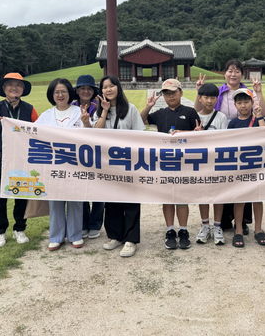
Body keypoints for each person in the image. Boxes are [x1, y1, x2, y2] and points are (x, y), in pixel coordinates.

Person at [194, 59, 265, 233]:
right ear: (225, 73)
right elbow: (198, 110)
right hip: (222, 137)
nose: (233, 74)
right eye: (230, 70)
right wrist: (199, 91)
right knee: (226, 179)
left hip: (244, 139)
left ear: (242, 74)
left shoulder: (248, 92)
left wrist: (258, 92)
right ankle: (226, 218)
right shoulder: (219, 91)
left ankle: (242, 222)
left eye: (237, 71)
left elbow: (263, 113)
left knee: (244, 181)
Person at [0, 72, 38, 248]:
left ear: (23, 89)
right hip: (1, 160)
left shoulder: (29, 110)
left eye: (18, 85)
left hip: (23, 160)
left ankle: (20, 229)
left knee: (22, 196)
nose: (14, 88)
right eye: (10, 84)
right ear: (4, 88)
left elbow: (39, 132)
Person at [141, 78, 201, 250]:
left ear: (180, 92)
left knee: (181, 198)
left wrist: (193, 133)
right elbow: (141, 120)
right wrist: (149, 106)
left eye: (173, 92)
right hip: (165, 162)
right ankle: (170, 230)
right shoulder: (160, 113)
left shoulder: (190, 112)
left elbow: (199, 134)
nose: (170, 96)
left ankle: (183, 230)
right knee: (167, 198)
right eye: (167, 94)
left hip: (184, 162)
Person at [94, 75, 146, 258]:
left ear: (118, 87)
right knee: (111, 202)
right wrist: (104, 111)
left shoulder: (130, 109)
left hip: (128, 162)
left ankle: (131, 239)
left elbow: (140, 135)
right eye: (104, 87)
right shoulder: (99, 111)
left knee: (131, 201)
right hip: (107, 164)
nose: (108, 90)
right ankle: (115, 236)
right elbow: (95, 134)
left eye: (111, 86)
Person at [35, 78, 86, 251]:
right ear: (52, 94)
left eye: (63, 91)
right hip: (53, 165)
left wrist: (86, 121)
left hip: (75, 163)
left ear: (69, 93)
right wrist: (9, 125)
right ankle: (56, 236)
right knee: (55, 201)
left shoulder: (79, 111)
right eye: (56, 92)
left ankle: (75, 235)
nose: (60, 95)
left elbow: (91, 134)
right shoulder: (46, 115)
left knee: (75, 200)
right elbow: (32, 133)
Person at [227, 88, 265, 248]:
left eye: (246, 102)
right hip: (239, 166)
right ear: (235, 105)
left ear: (252, 103)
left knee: (257, 198)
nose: (243, 105)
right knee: (240, 200)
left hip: (257, 165)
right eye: (239, 102)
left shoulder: (258, 119)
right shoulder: (233, 123)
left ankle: (258, 229)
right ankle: (238, 230)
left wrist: (259, 116)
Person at [193, 83, 228, 246]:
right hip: (200, 163)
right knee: (202, 194)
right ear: (200, 98)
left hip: (217, 161)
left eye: (213, 97)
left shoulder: (221, 117)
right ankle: (205, 224)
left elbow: (223, 140)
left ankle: (217, 226)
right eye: (206, 97)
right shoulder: (194, 116)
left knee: (218, 194)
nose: (209, 101)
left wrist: (204, 136)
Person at [72, 74, 104, 239]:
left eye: (89, 89)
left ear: (93, 91)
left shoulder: (99, 107)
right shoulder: (70, 107)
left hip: (97, 153)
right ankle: (83, 223)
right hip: (76, 154)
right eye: (82, 88)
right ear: (77, 91)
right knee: (80, 189)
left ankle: (95, 224)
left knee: (98, 189)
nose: (85, 91)